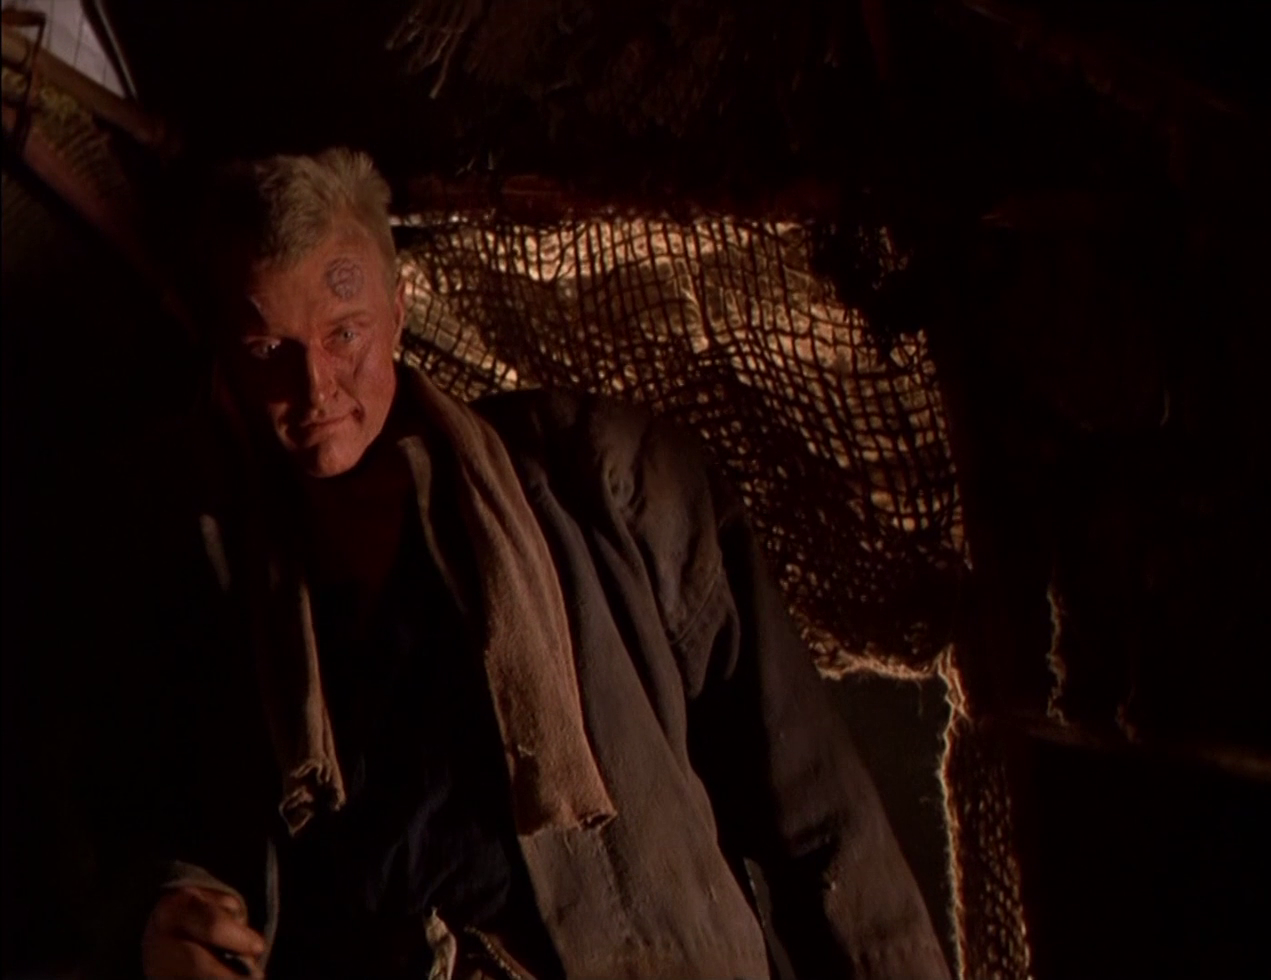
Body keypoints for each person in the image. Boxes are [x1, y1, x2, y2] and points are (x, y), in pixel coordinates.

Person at [96, 148, 950, 979]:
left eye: (343, 335)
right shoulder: (206, 567)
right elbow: (159, 817)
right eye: (267, 351)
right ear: (225, 359)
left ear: (398, 313)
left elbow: (818, 815)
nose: (316, 387)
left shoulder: (605, 484)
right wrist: (167, 914)